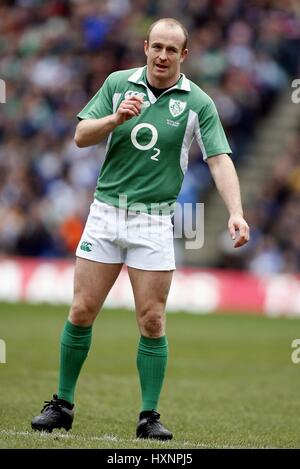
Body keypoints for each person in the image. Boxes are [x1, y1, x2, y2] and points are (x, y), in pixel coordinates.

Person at [31, 18, 250, 440]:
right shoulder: (117, 84)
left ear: (184, 55)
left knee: (152, 319)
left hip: (153, 220)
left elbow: (220, 159)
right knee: (81, 310)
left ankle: (148, 416)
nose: (163, 56)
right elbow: (80, 136)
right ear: (145, 47)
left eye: (173, 50)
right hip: (107, 213)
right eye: (157, 47)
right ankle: (61, 404)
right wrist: (115, 119)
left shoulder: (198, 103)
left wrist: (235, 212)